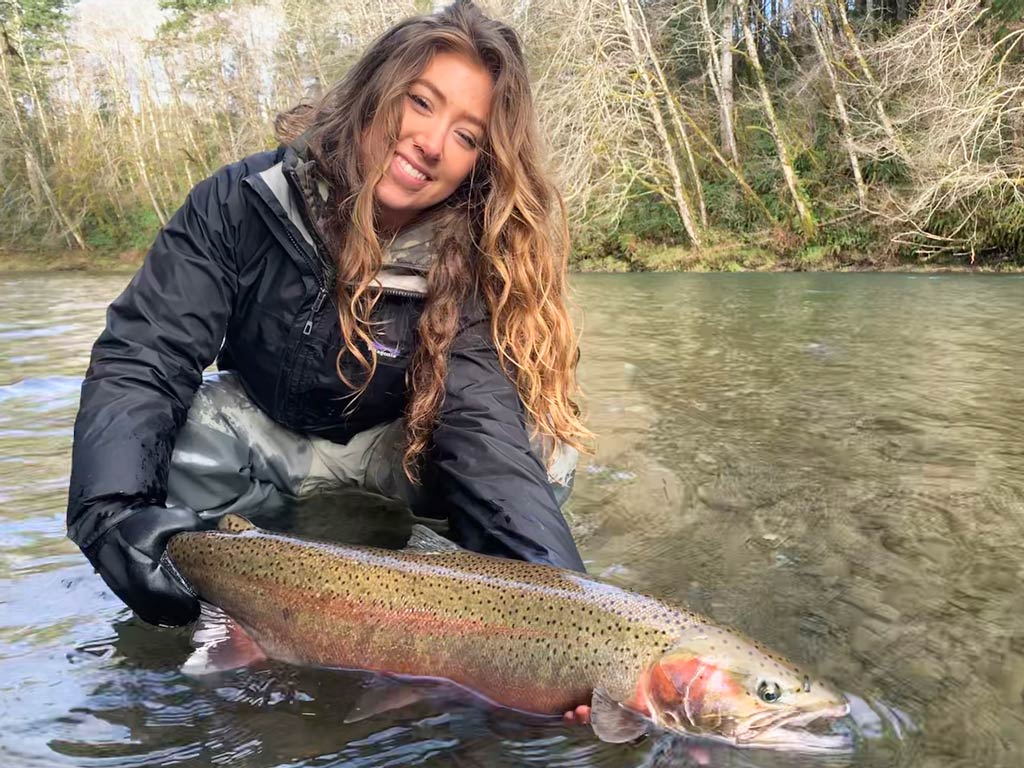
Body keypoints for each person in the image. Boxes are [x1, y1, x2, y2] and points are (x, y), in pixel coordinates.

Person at [66, 0, 592, 639]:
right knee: (184, 426)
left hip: (392, 448)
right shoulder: (240, 201)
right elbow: (147, 354)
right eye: (421, 102)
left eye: (466, 135)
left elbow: (480, 428)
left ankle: (453, 600)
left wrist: (568, 627)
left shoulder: (474, 259)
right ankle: (220, 604)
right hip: (267, 440)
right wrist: (113, 513)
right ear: (375, 92)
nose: (431, 144)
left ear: (481, 162)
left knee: (546, 450)